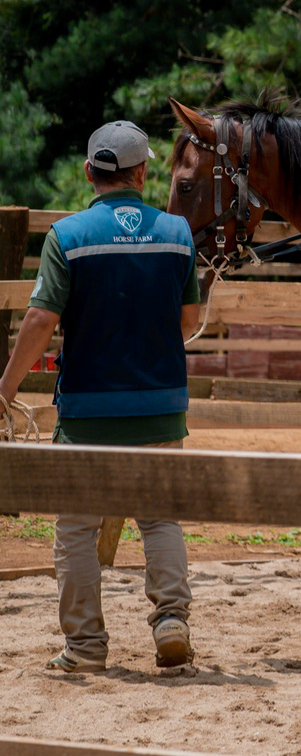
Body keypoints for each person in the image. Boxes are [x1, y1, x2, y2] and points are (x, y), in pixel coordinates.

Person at [0, 121, 202, 673]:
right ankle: (171, 621)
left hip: (89, 412)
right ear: (143, 173)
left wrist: (6, 389)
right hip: (161, 407)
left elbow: (40, 320)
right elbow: (188, 322)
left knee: (76, 529)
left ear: (90, 172)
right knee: (160, 519)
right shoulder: (177, 233)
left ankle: (86, 647)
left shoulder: (68, 236)